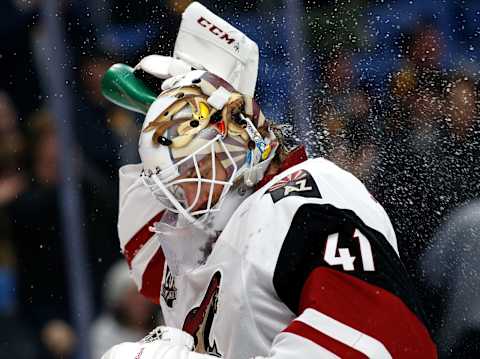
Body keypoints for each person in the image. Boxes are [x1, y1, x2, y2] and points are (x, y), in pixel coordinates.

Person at [101, 3, 436, 358]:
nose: (182, 196)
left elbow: (384, 343)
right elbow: (145, 257)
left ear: (235, 143)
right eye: (172, 185)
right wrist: (169, 103)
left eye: (191, 171)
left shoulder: (304, 199)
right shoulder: (199, 235)